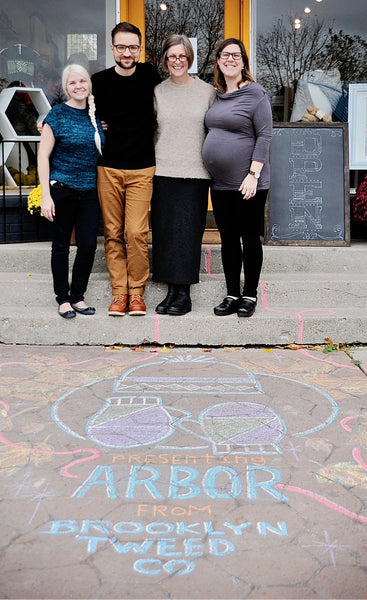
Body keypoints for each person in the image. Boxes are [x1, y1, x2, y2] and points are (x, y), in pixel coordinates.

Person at [91, 22, 161, 316]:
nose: (127, 52)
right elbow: (78, 109)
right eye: (121, 47)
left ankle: (137, 293)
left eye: (133, 47)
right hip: (108, 166)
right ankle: (120, 293)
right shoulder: (99, 80)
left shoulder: (151, 75)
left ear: (140, 48)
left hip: (142, 167)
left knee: (135, 232)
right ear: (112, 48)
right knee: (113, 231)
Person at [202, 38, 272, 318]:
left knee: (249, 237)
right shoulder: (216, 94)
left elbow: (265, 135)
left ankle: (250, 294)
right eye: (224, 55)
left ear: (243, 62)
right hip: (219, 183)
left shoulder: (257, 94)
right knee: (228, 238)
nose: (230, 59)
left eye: (236, 55)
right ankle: (232, 293)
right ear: (218, 61)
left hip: (249, 181)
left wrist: (253, 174)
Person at [151, 34, 216, 316]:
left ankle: (184, 293)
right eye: (172, 56)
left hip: (196, 172)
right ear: (165, 60)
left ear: (190, 58)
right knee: (165, 232)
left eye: (182, 56)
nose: (177, 61)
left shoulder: (208, 92)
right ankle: (170, 291)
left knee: (188, 232)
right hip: (163, 169)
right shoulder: (157, 92)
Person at [38, 64, 104, 319]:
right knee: (61, 245)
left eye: (82, 82)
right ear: (66, 88)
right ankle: (63, 298)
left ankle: (78, 295)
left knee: (87, 245)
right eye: (72, 83)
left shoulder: (94, 116)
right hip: (62, 189)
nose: (78, 87)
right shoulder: (56, 115)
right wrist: (46, 196)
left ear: (89, 84)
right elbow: (43, 157)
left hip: (89, 191)